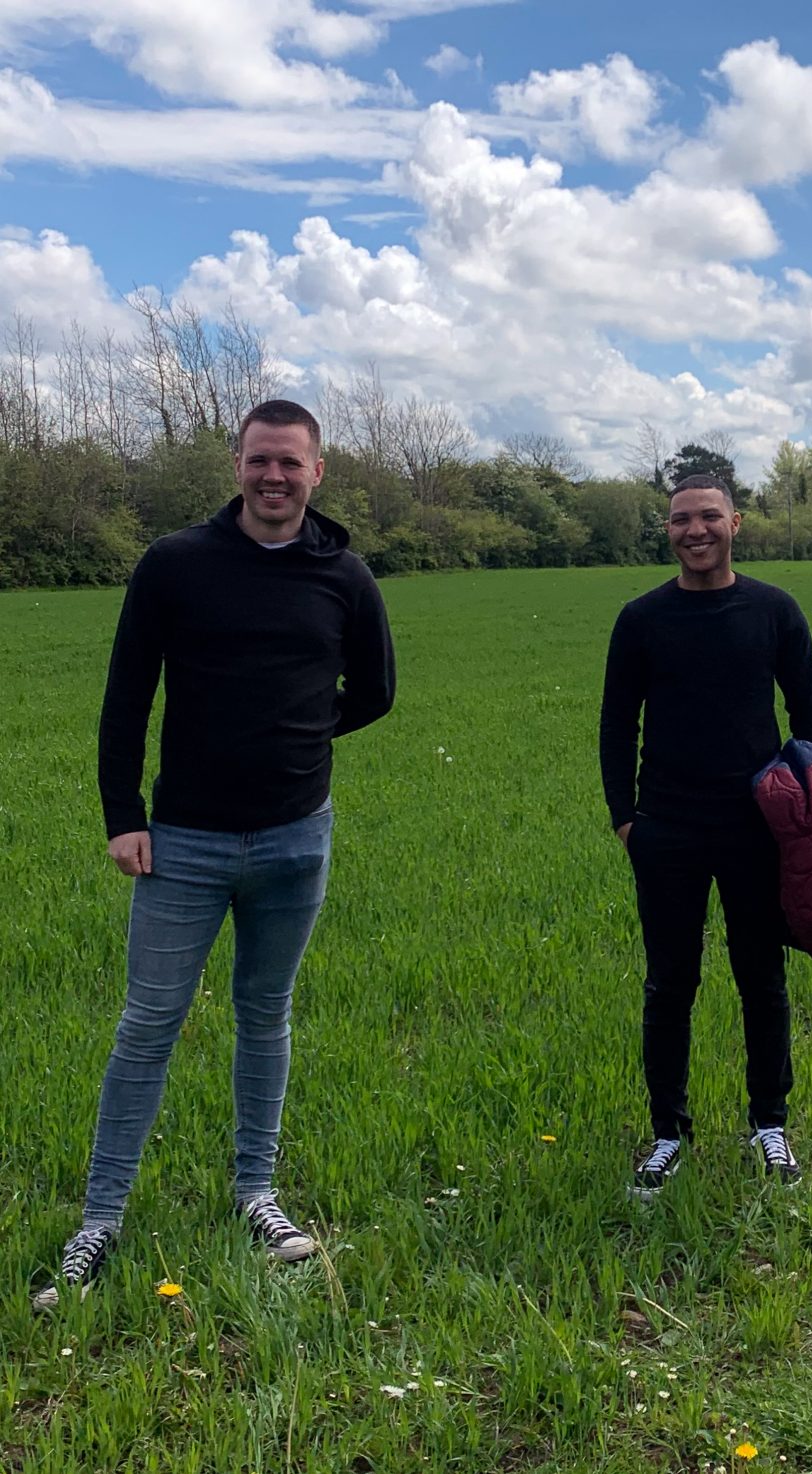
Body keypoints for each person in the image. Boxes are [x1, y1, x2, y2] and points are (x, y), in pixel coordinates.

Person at [34, 399, 395, 1310]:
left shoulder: (345, 576)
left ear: (320, 472)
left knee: (264, 1016)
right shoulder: (176, 566)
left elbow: (377, 691)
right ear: (237, 464)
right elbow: (126, 698)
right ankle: (100, 1220)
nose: (275, 478)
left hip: (294, 839)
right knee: (147, 1024)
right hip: (182, 842)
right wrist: (125, 816)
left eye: (291, 463)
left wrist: (302, 736)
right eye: (259, 461)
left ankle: (256, 1194)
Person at [599, 473, 812, 1198]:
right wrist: (626, 819)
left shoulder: (773, 611)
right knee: (670, 984)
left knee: (761, 978)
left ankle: (770, 1123)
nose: (694, 531)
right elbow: (616, 726)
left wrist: (808, 814)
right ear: (667, 531)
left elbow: (810, 723)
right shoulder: (641, 620)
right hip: (666, 828)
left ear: (736, 522)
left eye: (707, 517)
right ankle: (668, 1133)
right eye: (679, 520)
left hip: (756, 828)